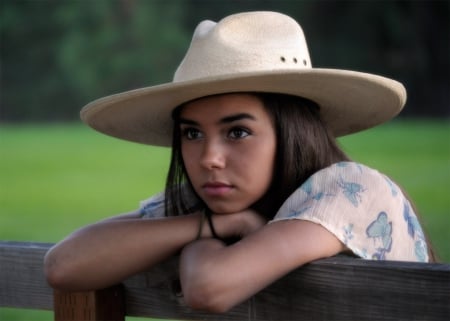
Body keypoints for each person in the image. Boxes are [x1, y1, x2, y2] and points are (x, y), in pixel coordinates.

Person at [44, 11, 435, 313]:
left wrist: (203, 233)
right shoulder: (216, 204)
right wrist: (217, 223)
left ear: (293, 132)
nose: (209, 159)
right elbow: (63, 265)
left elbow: (208, 287)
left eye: (237, 132)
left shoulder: (351, 189)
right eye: (192, 134)